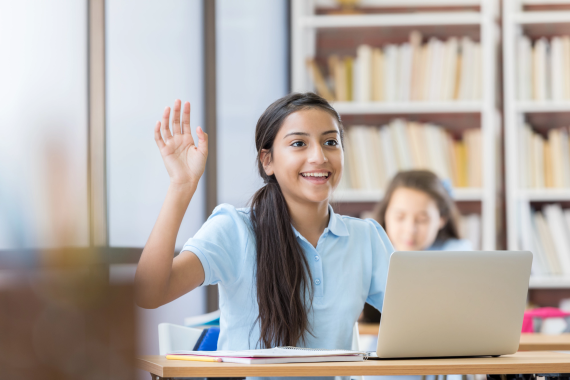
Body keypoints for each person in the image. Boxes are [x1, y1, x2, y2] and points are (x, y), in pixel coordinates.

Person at [134, 93, 394, 368]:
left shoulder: (366, 237)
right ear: (267, 160)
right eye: (298, 143)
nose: (318, 156)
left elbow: (421, 323)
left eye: (331, 142)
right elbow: (150, 293)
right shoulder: (234, 229)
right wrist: (181, 185)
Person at [373, 169, 472, 252]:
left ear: (442, 219)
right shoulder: (371, 254)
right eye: (400, 217)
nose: (410, 230)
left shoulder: (457, 253)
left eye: (422, 219)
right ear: (385, 214)